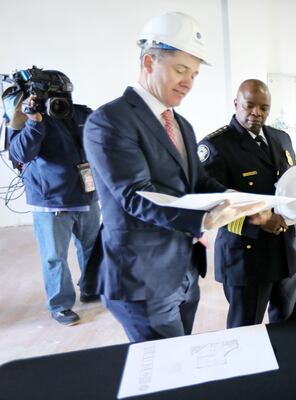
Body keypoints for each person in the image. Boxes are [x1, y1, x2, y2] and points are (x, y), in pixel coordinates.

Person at [82, 12, 266, 342]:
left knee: (179, 358)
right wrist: (204, 218)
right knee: (164, 372)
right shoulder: (110, 121)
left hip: (182, 270)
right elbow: (136, 194)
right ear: (150, 62)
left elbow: (199, 183)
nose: (189, 82)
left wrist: (245, 203)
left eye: (194, 74)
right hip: (142, 278)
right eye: (181, 70)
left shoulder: (180, 124)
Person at [198, 79, 296, 328]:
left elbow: (293, 183)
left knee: (290, 327)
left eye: (264, 108)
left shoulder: (281, 138)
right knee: (245, 331)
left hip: (286, 250)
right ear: (236, 104)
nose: (256, 113)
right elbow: (212, 204)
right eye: (249, 106)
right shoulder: (216, 146)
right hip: (247, 255)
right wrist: (258, 221)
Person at [7, 73, 101, 326]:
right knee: (54, 256)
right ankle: (60, 305)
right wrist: (34, 121)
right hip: (51, 202)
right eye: (55, 93)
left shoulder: (79, 114)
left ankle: (91, 288)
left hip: (87, 195)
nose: (60, 99)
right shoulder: (24, 119)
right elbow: (20, 153)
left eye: (64, 92)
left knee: (93, 247)